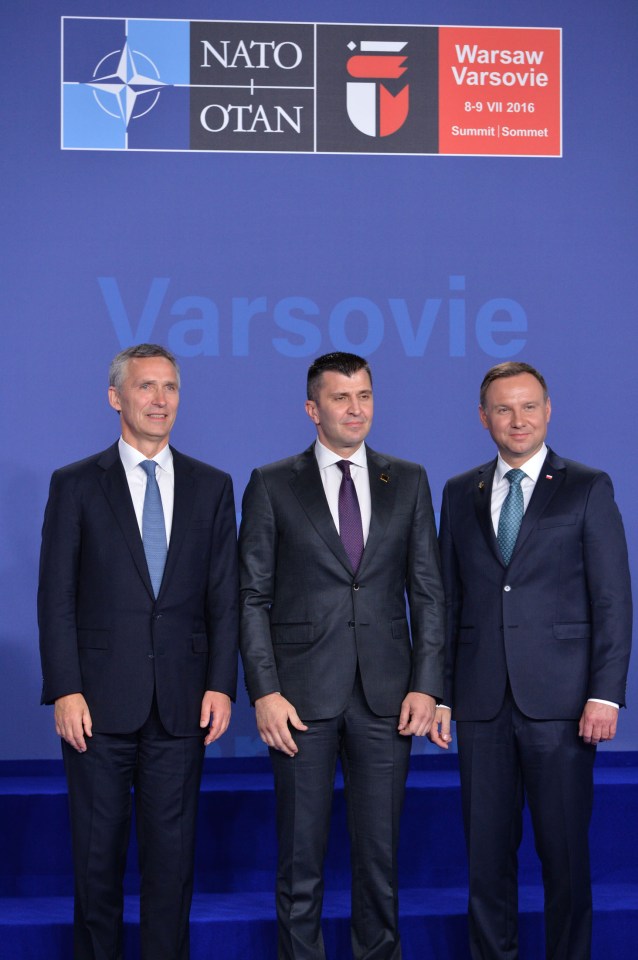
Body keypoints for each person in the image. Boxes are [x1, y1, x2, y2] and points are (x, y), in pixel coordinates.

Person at [239, 351, 447, 960]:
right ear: (313, 409)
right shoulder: (272, 483)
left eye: (364, 396)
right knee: (300, 861)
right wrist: (265, 692)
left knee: (380, 860)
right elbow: (251, 597)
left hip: (389, 698)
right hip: (299, 699)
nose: (356, 410)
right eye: (340, 398)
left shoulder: (408, 479)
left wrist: (427, 684)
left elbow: (428, 593)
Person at [37, 343, 239, 960]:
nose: (160, 399)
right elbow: (56, 596)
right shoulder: (76, 484)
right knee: (96, 864)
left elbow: (224, 596)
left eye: (170, 387)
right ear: (115, 397)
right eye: (146, 386)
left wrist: (221, 683)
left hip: (182, 704)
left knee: (171, 869)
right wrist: (65, 688)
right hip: (96, 706)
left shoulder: (212, 486)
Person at [436, 361, 632, 960]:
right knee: (485, 859)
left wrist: (605, 692)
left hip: (563, 705)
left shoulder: (587, 486)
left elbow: (612, 598)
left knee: (564, 857)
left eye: (528, 407)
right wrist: (441, 693)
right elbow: (447, 601)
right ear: (483, 417)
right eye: (503, 408)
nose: (517, 420)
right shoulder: (458, 491)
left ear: (548, 411)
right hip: (481, 704)